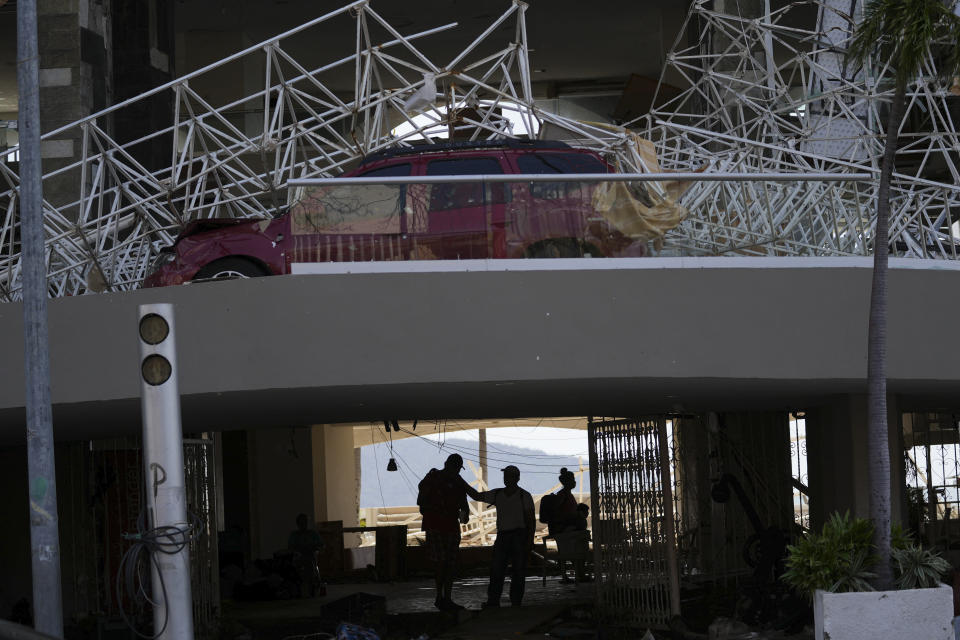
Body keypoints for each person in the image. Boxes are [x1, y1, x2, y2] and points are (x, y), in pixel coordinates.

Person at [418, 453, 482, 611]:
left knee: (445, 564)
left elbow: (465, 505)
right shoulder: (441, 479)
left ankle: (443, 598)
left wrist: (463, 514)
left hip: (443, 527)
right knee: (445, 564)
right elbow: (469, 499)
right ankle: (443, 597)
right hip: (442, 527)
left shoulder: (438, 478)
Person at [478, 465, 536, 608]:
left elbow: (531, 521)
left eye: (508, 475)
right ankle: (507, 601)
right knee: (505, 570)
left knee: (508, 570)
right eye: (506, 475)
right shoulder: (518, 495)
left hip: (513, 536)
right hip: (509, 536)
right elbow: (531, 521)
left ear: (516, 478)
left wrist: (529, 540)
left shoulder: (516, 495)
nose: (506, 478)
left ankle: (502, 600)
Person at [287, 513, 324, 597]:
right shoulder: (294, 535)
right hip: (298, 557)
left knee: (309, 562)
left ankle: (311, 586)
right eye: (302, 522)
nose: (304, 524)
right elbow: (290, 547)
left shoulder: (313, 534)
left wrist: (315, 548)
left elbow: (321, 545)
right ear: (298, 524)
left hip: (310, 556)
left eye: (305, 522)